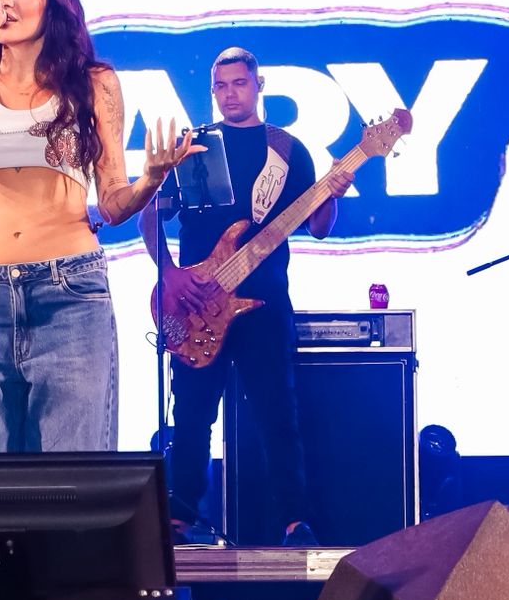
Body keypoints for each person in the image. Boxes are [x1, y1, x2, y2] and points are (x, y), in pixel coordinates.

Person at [0, 0, 193, 452]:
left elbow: (110, 200)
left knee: (71, 481)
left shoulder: (92, 81)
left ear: (55, 1)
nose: (6, 2)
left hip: (69, 293)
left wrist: (150, 179)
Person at [140, 47, 352, 547]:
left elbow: (318, 227)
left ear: (259, 85)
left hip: (266, 305)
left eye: (240, 82)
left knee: (279, 415)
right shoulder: (192, 146)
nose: (231, 93)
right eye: (222, 85)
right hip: (195, 302)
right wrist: (168, 274)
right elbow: (150, 212)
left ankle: (295, 522)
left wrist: (334, 193)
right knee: (190, 416)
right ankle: (178, 519)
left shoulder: (288, 150)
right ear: (213, 90)